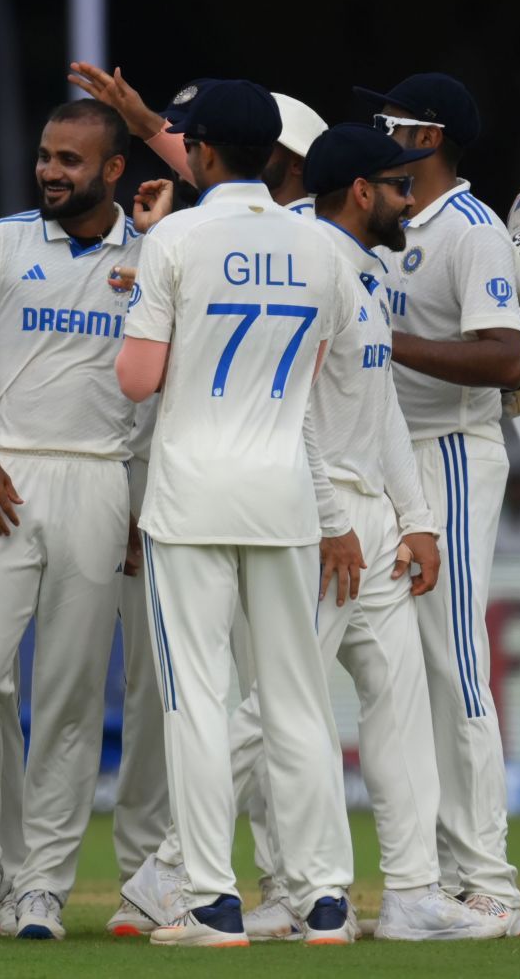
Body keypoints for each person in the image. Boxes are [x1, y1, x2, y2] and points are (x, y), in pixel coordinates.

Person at [114, 79, 357, 948]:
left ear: (203, 152)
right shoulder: (322, 246)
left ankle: (214, 901)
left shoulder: (174, 237)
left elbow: (137, 379)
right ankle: (326, 897)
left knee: (198, 701)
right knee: (296, 701)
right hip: (283, 492)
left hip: (191, 495)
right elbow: (321, 363)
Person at [0, 99, 169, 940]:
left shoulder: (151, 256)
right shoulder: (0, 243)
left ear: (113, 170)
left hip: (99, 480)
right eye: (45, 156)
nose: (50, 171)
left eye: (71, 160)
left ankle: (41, 886)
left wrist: (139, 502)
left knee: (67, 698)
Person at [353, 71, 520, 932]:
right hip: (385, 451)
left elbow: (504, 360)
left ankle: (485, 876)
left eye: (390, 121)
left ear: (427, 139)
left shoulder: (472, 230)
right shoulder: (380, 220)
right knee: (399, 674)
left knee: (453, 658)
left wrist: (386, 344)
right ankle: (430, 874)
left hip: (451, 451)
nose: (376, 129)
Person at [66, 62, 326, 211]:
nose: (247, 150)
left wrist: (147, 124)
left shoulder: (317, 231)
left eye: (264, 142)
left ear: (298, 163)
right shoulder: (238, 216)